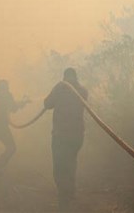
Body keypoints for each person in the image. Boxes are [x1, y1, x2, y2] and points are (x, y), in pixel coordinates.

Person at [44, 68, 88, 210]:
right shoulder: (82, 91)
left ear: (64, 77)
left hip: (61, 135)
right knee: (71, 161)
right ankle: (69, 191)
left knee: (59, 165)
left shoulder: (60, 89)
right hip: (77, 136)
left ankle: (63, 195)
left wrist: (59, 87)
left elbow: (47, 104)